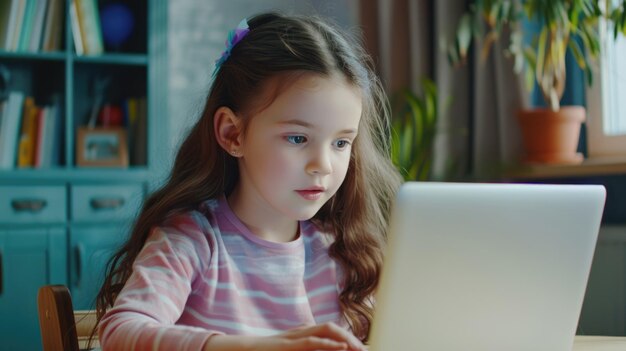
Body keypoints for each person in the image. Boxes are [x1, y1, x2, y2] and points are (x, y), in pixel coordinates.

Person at [95, 11, 402, 351]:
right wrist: (257, 346)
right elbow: (120, 332)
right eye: (298, 139)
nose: (323, 165)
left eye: (341, 143)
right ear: (233, 134)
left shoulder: (342, 252)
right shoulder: (192, 239)